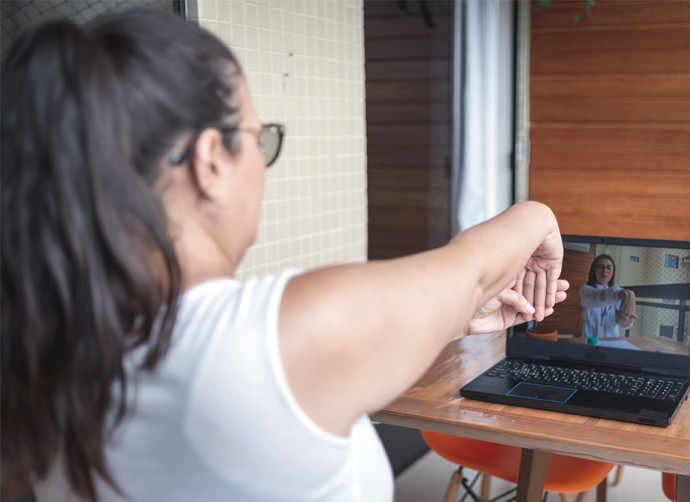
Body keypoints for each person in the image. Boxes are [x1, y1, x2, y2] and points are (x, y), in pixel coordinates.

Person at [0, 9, 568, 502]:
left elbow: (287, 409)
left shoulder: (46, 345)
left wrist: (456, 326)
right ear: (210, 162)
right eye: (260, 137)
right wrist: (540, 215)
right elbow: (470, 270)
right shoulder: (266, 336)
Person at [579, 254, 636, 339]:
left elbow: (623, 324)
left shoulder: (620, 294)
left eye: (609, 267)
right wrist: (630, 294)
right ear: (594, 270)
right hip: (590, 341)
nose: (605, 270)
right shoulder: (585, 290)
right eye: (600, 267)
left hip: (612, 342)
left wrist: (627, 320)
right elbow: (599, 296)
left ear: (613, 272)